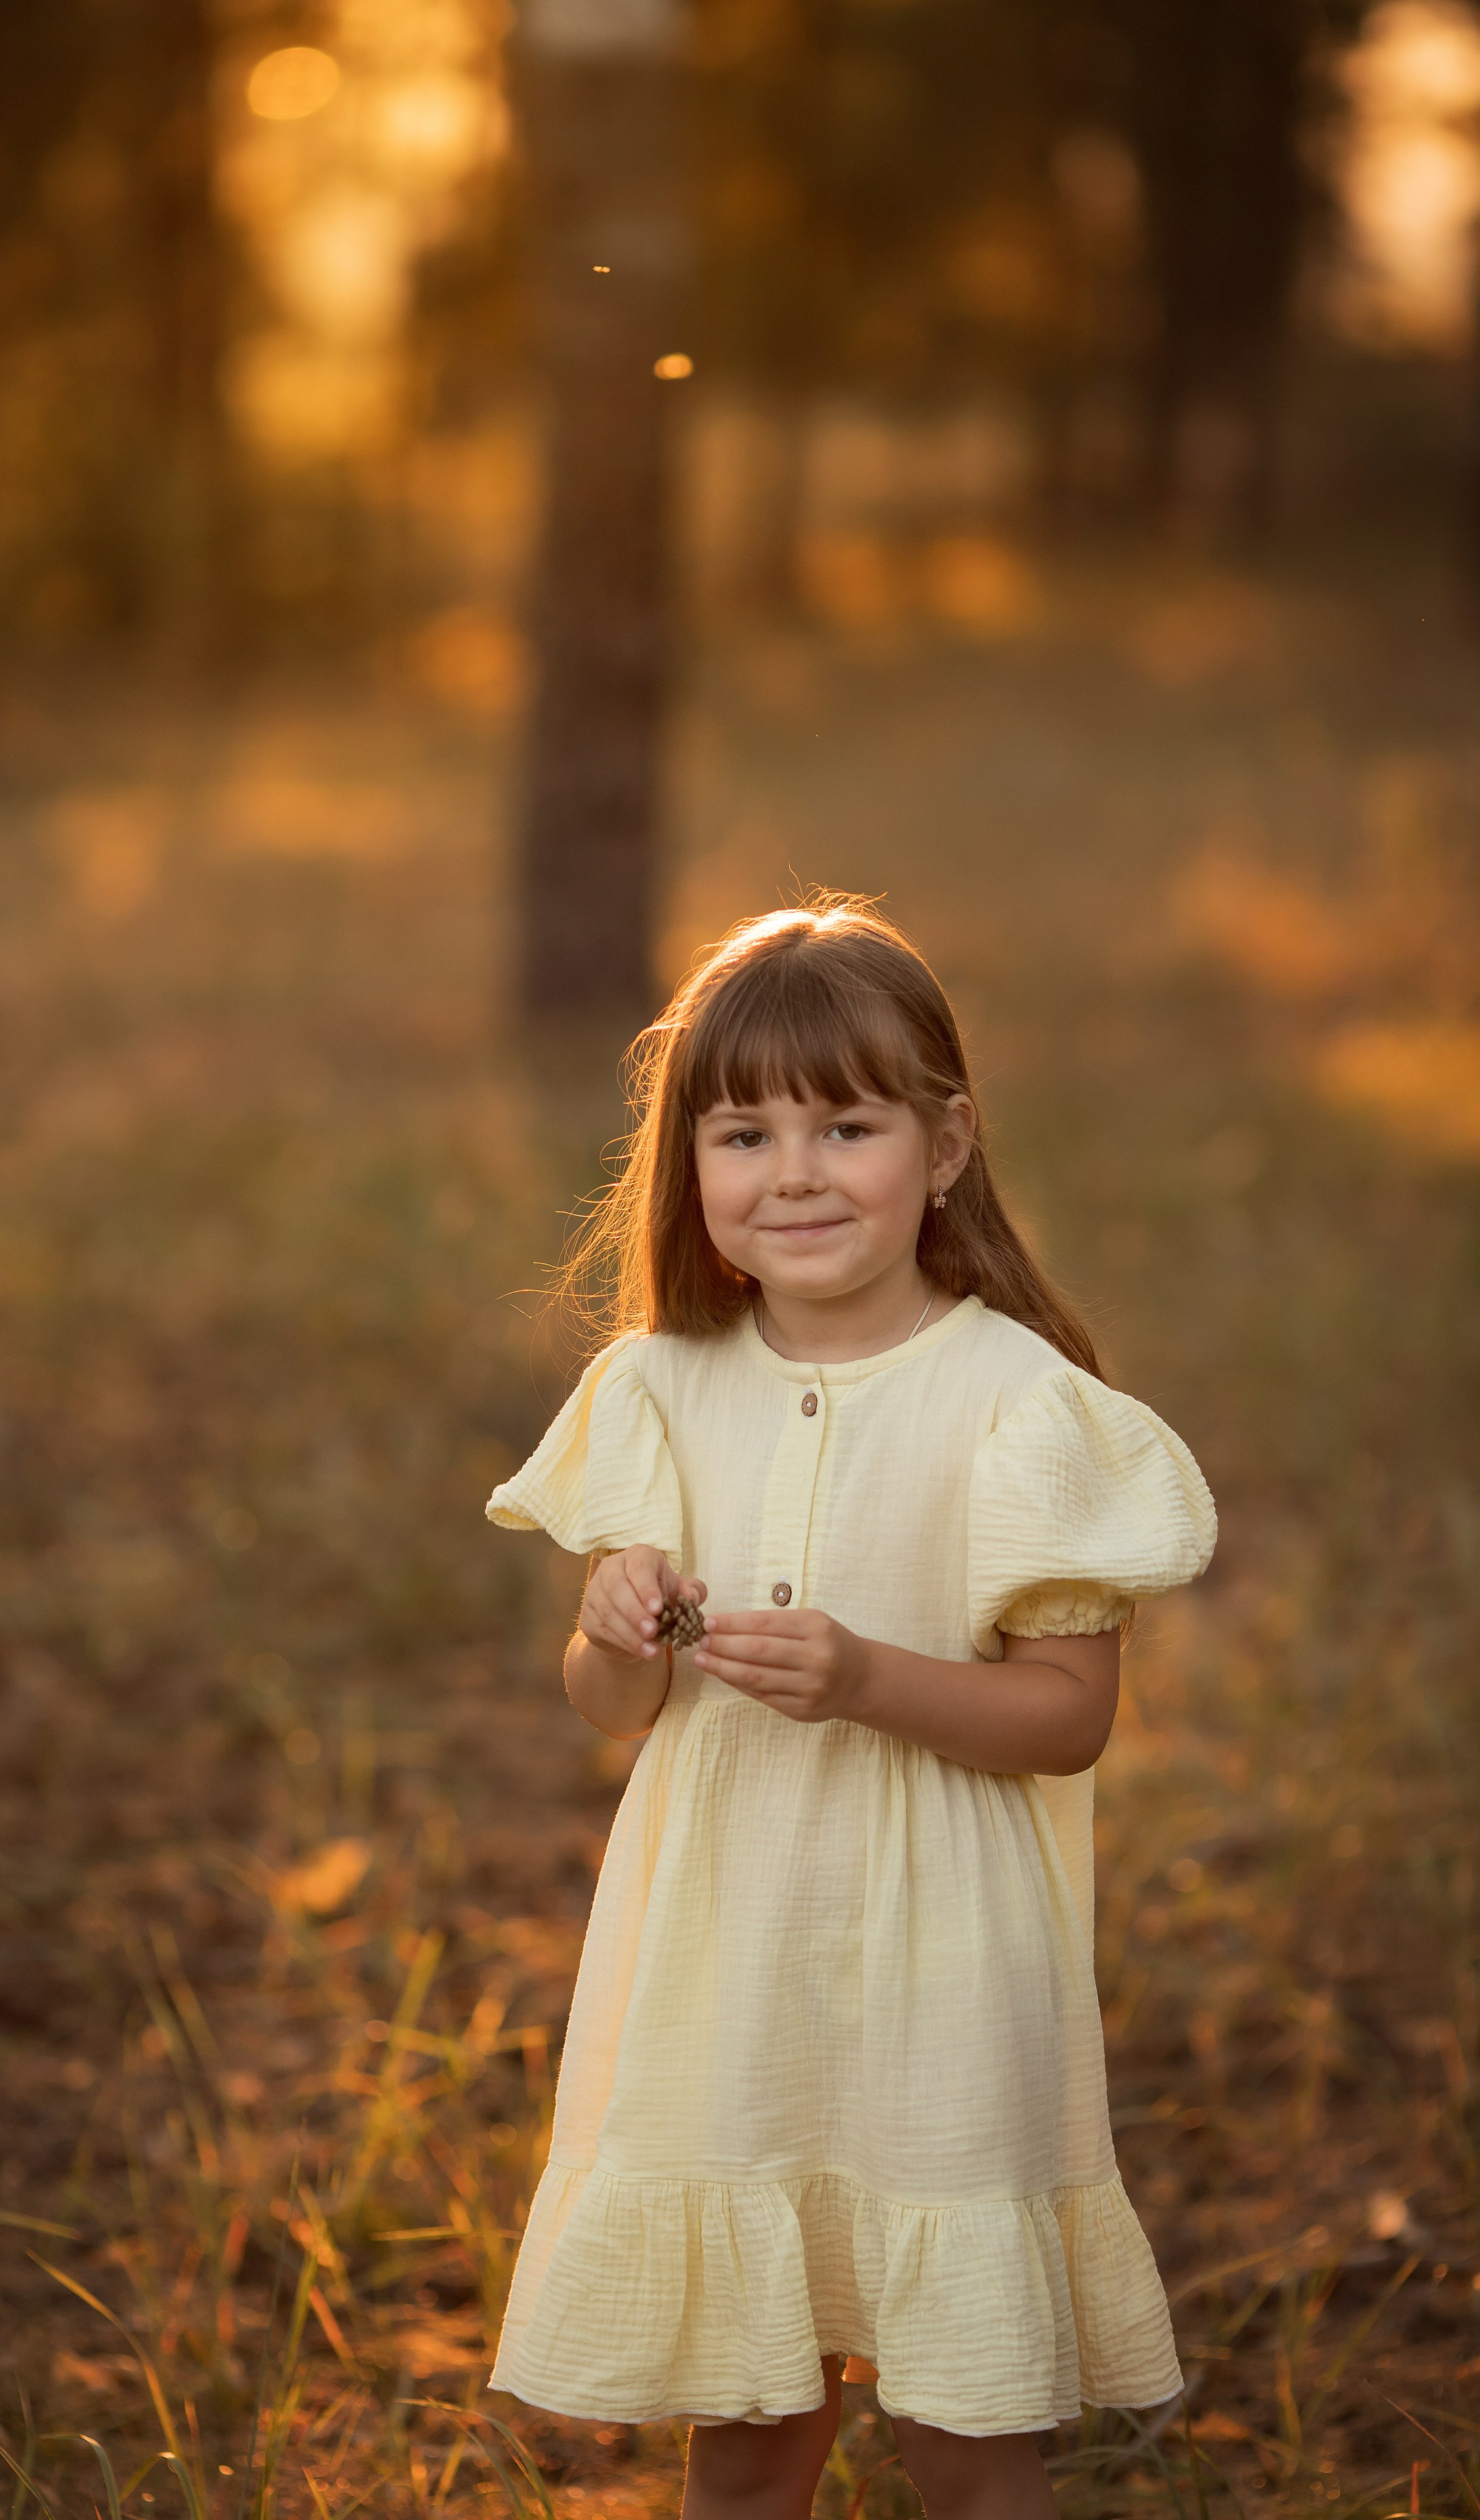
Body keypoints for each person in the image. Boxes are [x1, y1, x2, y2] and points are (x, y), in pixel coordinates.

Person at [484, 898, 1216, 2520]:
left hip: (942, 1972)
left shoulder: (1017, 1404)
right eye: (742, 1133)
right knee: (747, 2422)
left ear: (944, 1147)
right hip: (723, 1961)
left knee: (965, 2429)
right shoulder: (658, 1385)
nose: (793, 1173)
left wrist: (869, 1676)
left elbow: (1067, 1717)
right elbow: (611, 1710)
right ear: (689, 1164)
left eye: (846, 1124)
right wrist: (613, 1631)